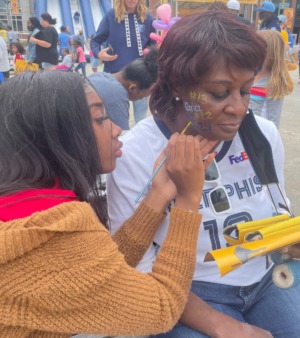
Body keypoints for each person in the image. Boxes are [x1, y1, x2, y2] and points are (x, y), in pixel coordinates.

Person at [107, 11, 300, 338]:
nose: (239, 108)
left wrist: (287, 236)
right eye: (220, 93)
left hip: (265, 278)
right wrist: (226, 326)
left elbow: (276, 208)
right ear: (180, 87)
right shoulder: (134, 154)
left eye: (245, 89)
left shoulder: (262, 135)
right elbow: (137, 272)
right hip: (189, 290)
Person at [0, 70, 218, 337]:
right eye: (100, 118)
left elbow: (95, 272)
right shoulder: (52, 231)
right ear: (58, 136)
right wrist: (187, 199)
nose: (116, 129)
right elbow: (162, 308)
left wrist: (158, 195)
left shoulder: (23, 204)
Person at [91, 0, 155, 126]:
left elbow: (152, 44)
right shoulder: (111, 15)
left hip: (141, 76)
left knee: (141, 119)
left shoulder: (147, 18)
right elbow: (95, 41)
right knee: (114, 121)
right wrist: (98, 53)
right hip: (115, 77)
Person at [88, 48, 159, 130]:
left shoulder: (100, 75)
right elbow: (121, 137)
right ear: (132, 88)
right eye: (142, 97)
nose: (142, 99)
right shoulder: (117, 94)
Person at [250, 30, 293, 129]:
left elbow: (274, 118)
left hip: (258, 133)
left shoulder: (274, 83)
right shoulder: (248, 73)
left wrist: (270, 140)